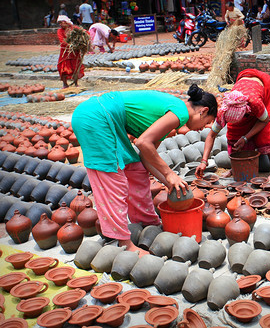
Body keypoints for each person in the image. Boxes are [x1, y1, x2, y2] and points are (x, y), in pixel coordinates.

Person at [71, 84, 218, 256]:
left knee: (136, 169)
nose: (203, 128)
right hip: (97, 117)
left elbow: (146, 159)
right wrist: (170, 174)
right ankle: (124, 243)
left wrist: (168, 184)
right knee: (113, 180)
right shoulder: (181, 112)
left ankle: (147, 223)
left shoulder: (173, 113)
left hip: (107, 120)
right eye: (207, 122)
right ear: (203, 110)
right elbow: (142, 143)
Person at [196, 69, 270, 182]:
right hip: (244, 85)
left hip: (264, 87)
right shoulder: (224, 111)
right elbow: (211, 136)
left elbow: (264, 121)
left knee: (264, 133)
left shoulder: (255, 103)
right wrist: (204, 161)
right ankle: (234, 167)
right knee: (233, 132)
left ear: (246, 112)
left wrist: (246, 138)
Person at [57, 15, 85, 88]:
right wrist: (70, 45)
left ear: (65, 22)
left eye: (61, 22)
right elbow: (62, 41)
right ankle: (65, 83)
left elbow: (83, 33)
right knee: (63, 68)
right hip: (65, 52)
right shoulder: (60, 31)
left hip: (75, 52)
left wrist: (80, 43)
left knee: (75, 67)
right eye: (59, 23)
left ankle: (76, 83)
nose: (60, 24)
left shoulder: (74, 29)